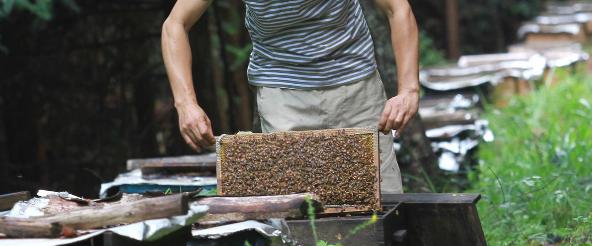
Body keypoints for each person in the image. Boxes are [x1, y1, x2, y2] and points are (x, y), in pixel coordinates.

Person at [162, 0, 419, 194]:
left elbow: (398, 9)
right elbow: (175, 25)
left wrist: (409, 89)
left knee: (381, 200)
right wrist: (185, 104)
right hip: (282, 95)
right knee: (295, 207)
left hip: (355, 85)